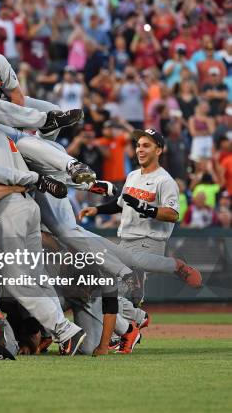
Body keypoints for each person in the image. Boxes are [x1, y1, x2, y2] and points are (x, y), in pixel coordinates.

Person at [80, 129, 202, 353]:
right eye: (138, 145)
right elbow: (121, 203)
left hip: (148, 241)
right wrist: (96, 209)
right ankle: (133, 323)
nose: (140, 149)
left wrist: (144, 207)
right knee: (107, 291)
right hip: (125, 241)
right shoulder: (134, 176)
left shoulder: (165, 181)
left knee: (107, 290)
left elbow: (173, 214)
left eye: (146, 145)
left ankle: (137, 316)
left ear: (159, 150)